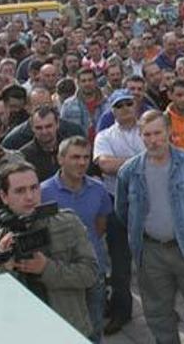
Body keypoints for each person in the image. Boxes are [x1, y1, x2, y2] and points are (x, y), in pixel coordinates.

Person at [114, 110, 184, 344]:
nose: (153, 140)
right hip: (151, 253)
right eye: (147, 134)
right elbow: (123, 211)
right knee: (158, 314)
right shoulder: (129, 171)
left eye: (158, 133)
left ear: (169, 133)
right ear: (141, 136)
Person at [0, 162, 99, 337]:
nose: (30, 196)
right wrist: (3, 265)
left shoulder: (68, 224)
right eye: (20, 191)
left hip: (68, 329)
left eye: (34, 188)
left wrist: (46, 268)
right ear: (4, 196)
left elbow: (90, 274)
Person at [41, 137, 113, 342]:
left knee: (94, 326)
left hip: (93, 270)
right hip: (61, 273)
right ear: (60, 159)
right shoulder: (43, 192)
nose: (81, 163)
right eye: (75, 157)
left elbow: (100, 225)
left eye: (85, 157)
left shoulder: (98, 189)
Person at [92, 89, 144, 335]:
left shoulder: (148, 130)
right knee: (120, 264)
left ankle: (163, 307)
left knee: (154, 261)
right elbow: (105, 165)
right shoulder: (104, 135)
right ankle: (122, 312)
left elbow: (160, 156)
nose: (124, 109)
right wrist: (141, 161)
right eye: (119, 105)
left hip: (149, 202)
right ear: (112, 110)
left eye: (128, 104)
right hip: (117, 204)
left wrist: (122, 162)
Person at [19, 105, 62, 180]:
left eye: (48, 126)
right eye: (39, 128)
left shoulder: (71, 149)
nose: (44, 132)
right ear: (32, 128)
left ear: (57, 124)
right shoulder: (24, 156)